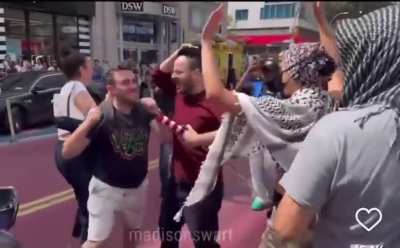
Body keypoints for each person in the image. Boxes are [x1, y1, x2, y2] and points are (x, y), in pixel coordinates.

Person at [176, 3, 336, 224]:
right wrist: (321, 20)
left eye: (284, 66)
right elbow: (337, 67)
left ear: (297, 72)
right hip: (326, 209)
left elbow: (214, 93)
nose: (280, 74)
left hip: (292, 213)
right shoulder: (331, 100)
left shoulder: (284, 110)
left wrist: (206, 42)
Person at [260, 2, 400, 248]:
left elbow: (284, 233)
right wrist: (322, 22)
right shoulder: (335, 105)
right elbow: (338, 77)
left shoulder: (337, 131)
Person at [61, 67, 160, 248]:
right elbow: (68, 151)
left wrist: (157, 111)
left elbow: (166, 138)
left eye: (133, 81)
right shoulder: (102, 115)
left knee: (133, 232)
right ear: (111, 89)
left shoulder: (144, 111)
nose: (133, 86)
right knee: (96, 241)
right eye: (125, 83)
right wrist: (89, 122)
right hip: (106, 189)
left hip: (137, 186)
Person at [152, 45, 224, 248]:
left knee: (204, 243)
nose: (173, 76)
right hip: (174, 183)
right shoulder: (178, 92)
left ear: (197, 73)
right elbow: (159, 74)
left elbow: (236, 131)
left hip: (203, 189)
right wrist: (180, 51)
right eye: (174, 71)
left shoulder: (216, 99)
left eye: (179, 72)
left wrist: (199, 139)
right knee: (168, 238)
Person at [53, 51, 97, 243]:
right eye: (90, 66)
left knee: (85, 197)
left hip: (63, 149)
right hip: (76, 153)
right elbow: (95, 117)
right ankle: (86, 239)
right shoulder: (78, 87)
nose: (93, 70)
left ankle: (80, 230)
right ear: (82, 69)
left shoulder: (66, 88)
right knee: (92, 204)